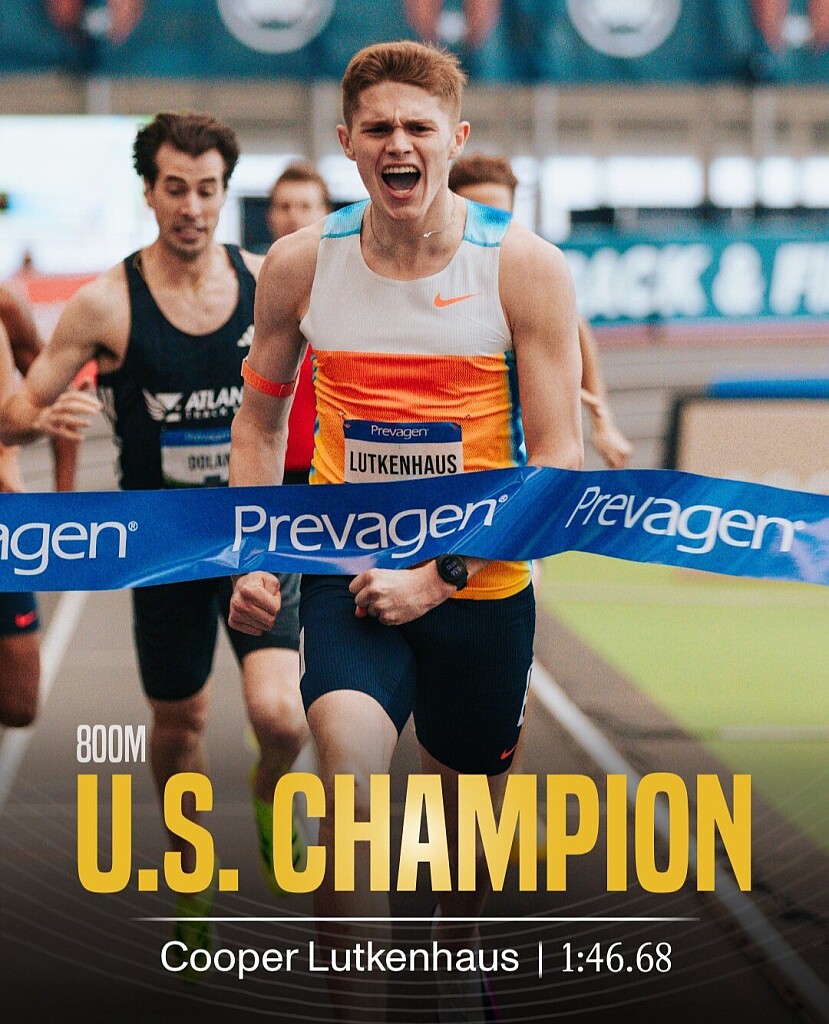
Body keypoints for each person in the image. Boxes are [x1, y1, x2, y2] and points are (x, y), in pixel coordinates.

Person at [227, 41, 583, 1022]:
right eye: (377, 127)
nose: (398, 144)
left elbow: (558, 463)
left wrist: (440, 575)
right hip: (348, 581)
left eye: (418, 127)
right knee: (345, 776)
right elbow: (257, 425)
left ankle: (453, 974)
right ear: (345, 142)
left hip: (481, 592)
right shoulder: (301, 265)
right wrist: (255, 556)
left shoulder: (524, 268)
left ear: (453, 139)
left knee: (462, 847)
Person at [0, 113, 309, 945]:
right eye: (176, 189)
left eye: (208, 190)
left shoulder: (268, 282)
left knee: (283, 716)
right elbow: (14, 412)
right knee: (181, 727)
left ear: (225, 193)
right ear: (149, 192)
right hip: (162, 546)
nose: (193, 208)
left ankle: (271, 791)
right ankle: (191, 877)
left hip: (254, 535)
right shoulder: (107, 303)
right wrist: (40, 418)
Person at [448, 153, 633, 470]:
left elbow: (575, 327)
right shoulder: (431, 270)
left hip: (505, 462)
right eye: (477, 214)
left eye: (498, 215)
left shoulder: (523, 272)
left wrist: (604, 424)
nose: (487, 227)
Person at [0, 285, 79, 726]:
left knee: (20, 704)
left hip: (4, 527)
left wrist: (63, 512)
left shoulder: (6, 308)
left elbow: (60, 400)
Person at [265, 161, 332, 485]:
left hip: (328, 469)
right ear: (270, 216)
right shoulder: (250, 286)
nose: (293, 216)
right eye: (284, 206)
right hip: (270, 466)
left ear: (326, 213)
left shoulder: (350, 286)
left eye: (305, 206)